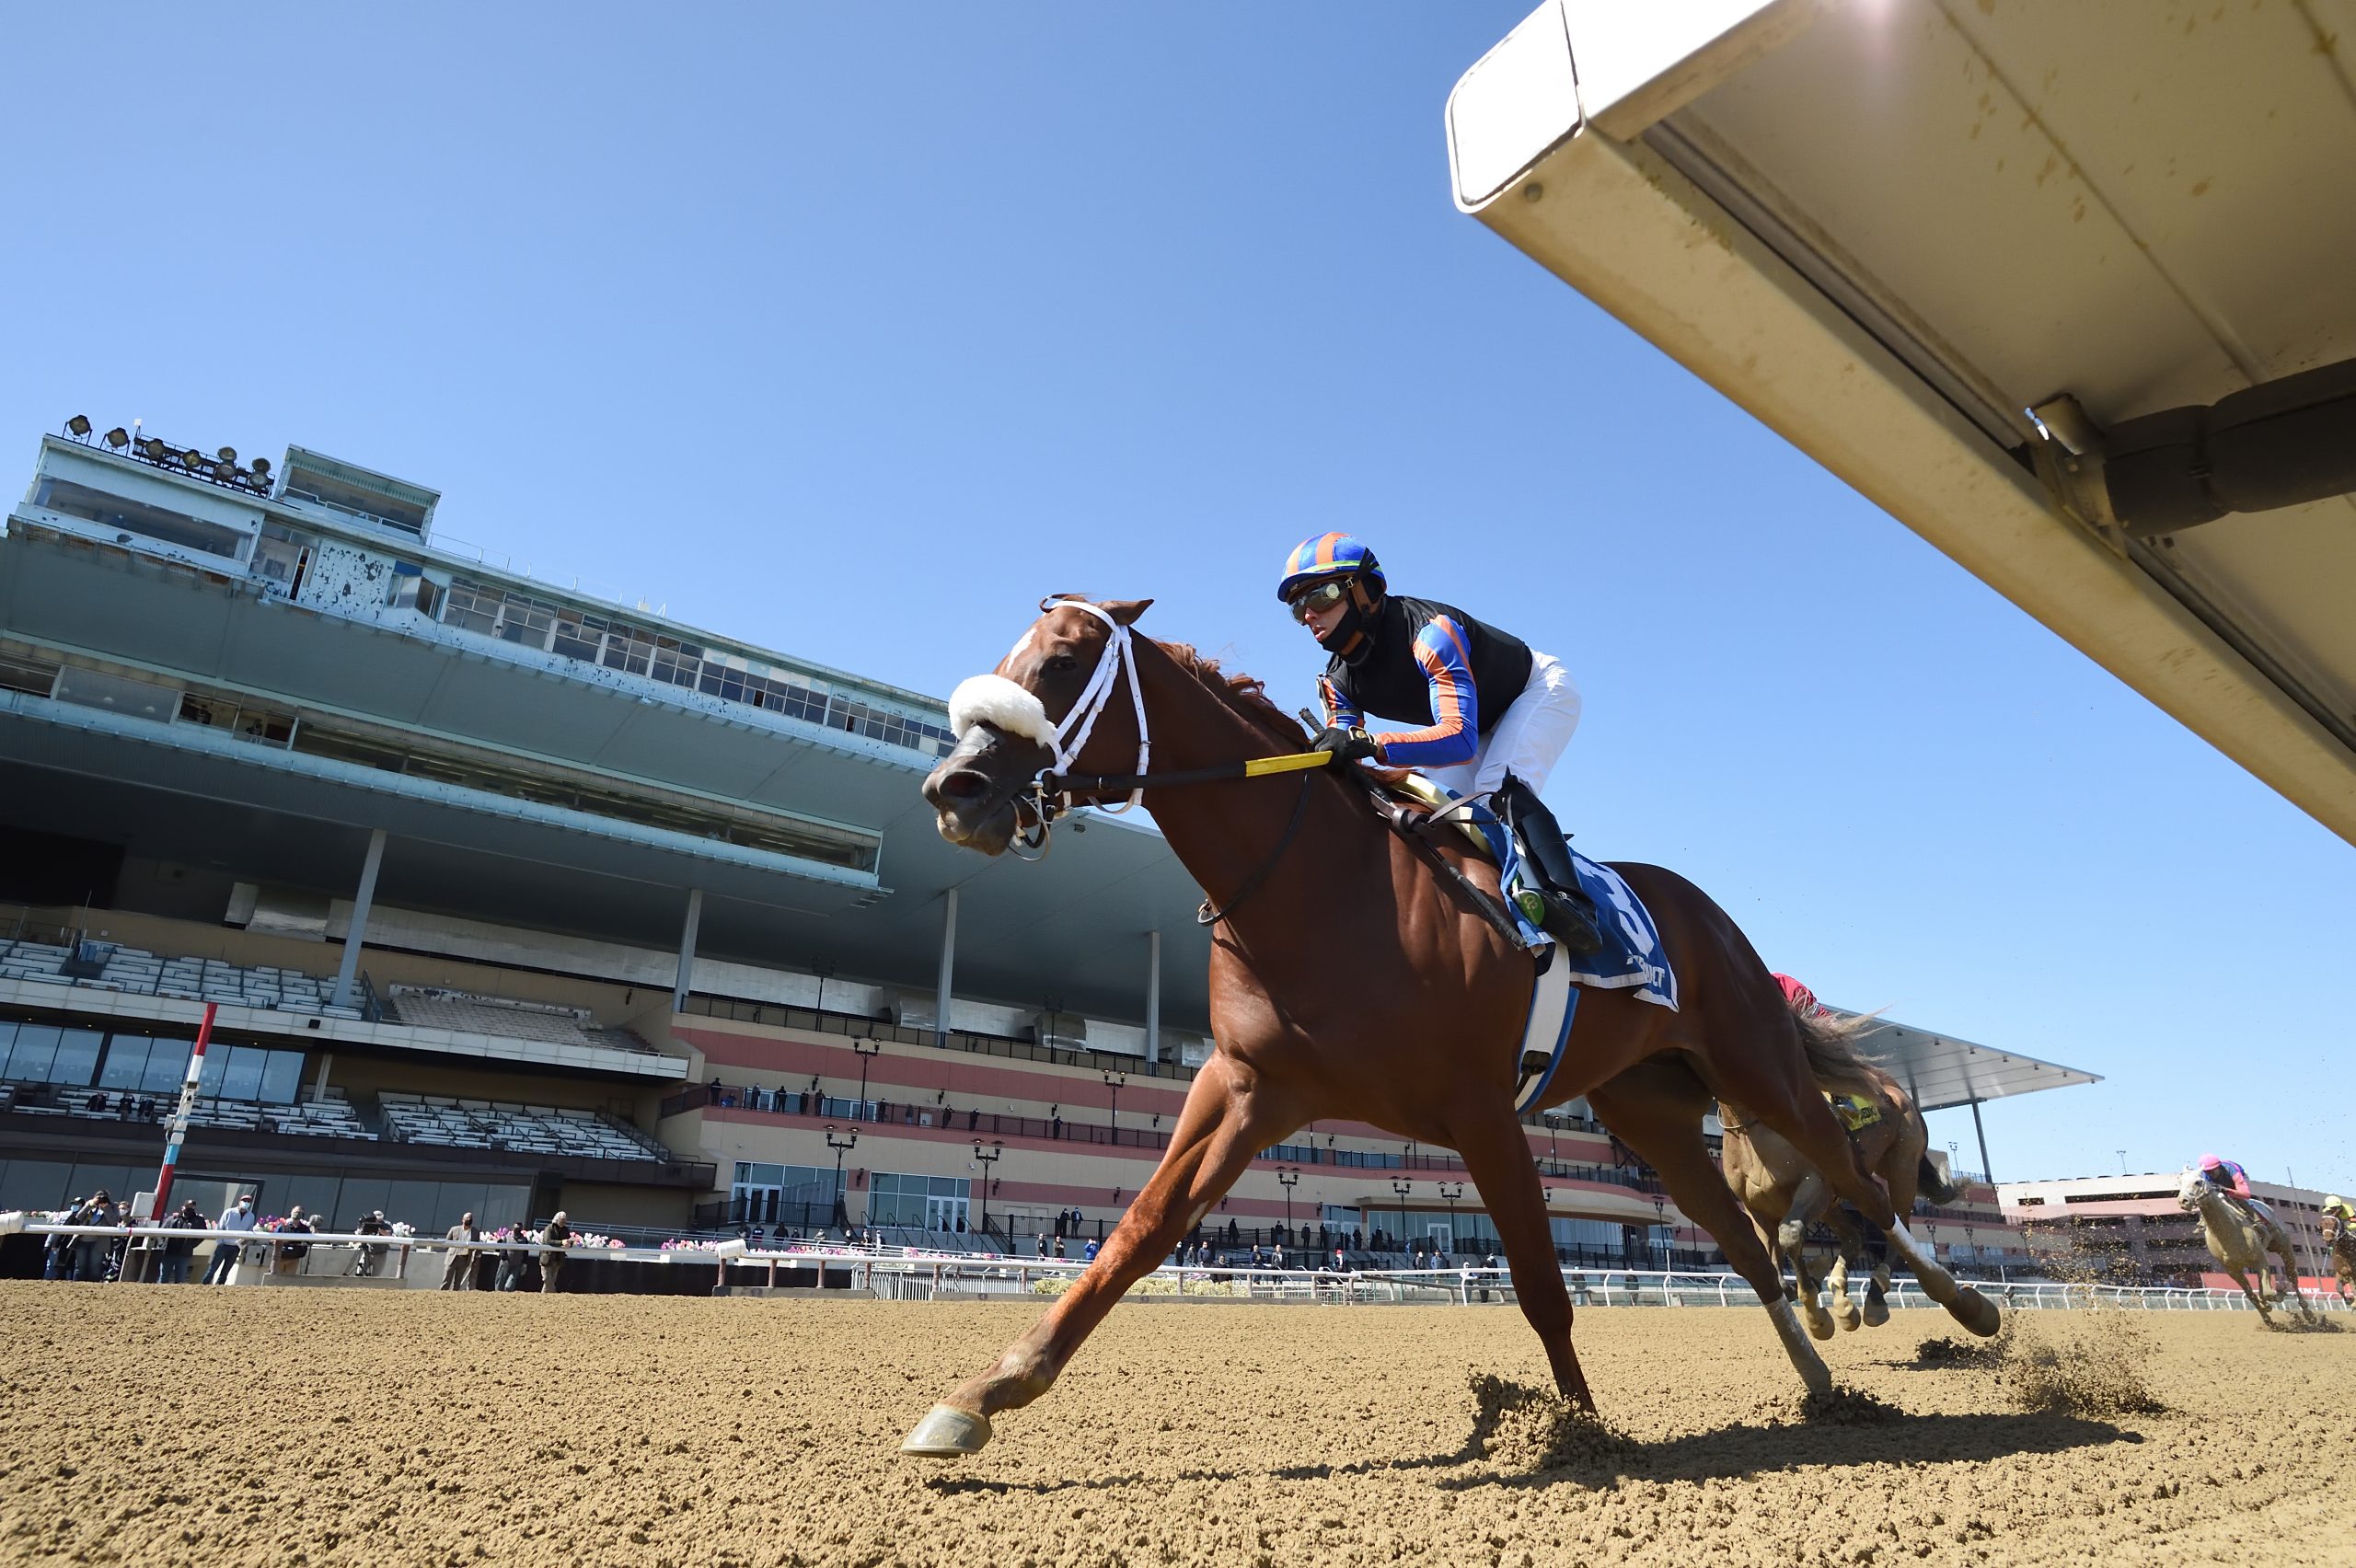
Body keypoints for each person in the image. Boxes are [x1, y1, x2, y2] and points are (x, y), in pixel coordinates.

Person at [1277, 532, 1603, 953]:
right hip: (1477, 723)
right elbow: (1348, 758)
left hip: (1534, 691)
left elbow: (1459, 739)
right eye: (1297, 607)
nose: (1308, 615)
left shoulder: (1431, 634)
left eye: (1321, 596)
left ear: (1365, 590)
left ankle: (1574, 903)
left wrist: (1371, 744)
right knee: (1430, 808)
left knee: (1497, 786)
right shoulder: (1335, 681)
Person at [205, 1194, 260, 1285]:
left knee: (225, 1272)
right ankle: (203, 1286)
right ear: (240, 1201)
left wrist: (241, 1244)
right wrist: (220, 1242)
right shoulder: (229, 1212)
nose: (246, 1203)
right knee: (212, 1269)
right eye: (244, 1201)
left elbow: (249, 1232)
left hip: (235, 1248)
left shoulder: (251, 1216)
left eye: (248, 1202)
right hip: (223, 1246)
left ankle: (218, 1288)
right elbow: (220, 1228)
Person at [156, 1199, 206, 1285]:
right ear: (183, 1207)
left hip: (184, 1254)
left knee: (180, 1280)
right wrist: (162, 1245)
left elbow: (202, 1235)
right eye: (188, 1206)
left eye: (192, 1207)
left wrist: (191, 1245)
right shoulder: (172, 1219)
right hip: (168, 1253)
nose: (190, 1208)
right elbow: (161, 1233)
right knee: (163, 1278)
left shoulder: (199, 1221)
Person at [441, 1212, 482, 1291]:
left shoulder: (476, 1232)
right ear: (462, 1219)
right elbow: (447, 1242)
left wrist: (477, 1256)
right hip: (452, 1258)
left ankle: (455, 1296)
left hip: (464, 1259)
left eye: (470, 1219)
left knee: (458, 1282)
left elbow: (478, 1245)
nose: (468, 1220)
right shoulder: (454, 1229)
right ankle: (441, 1295)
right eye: (467, 1218)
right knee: (446, 1280)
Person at [272, 1205, 314, 1275]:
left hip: (295, 1257)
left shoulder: (304, 1228)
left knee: (290, 1278)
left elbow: (310, 1241)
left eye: (299, 1213)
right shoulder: (283, 1225)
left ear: (302, 1215)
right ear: (291, 1212)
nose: (297, 1214)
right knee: (276, 1277)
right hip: (281, 1256)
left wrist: (314, 1228)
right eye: (295, 1212)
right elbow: (273, 1239)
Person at [538, 1211, 572, 1294]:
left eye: (565, 1220)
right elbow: (548, 1241)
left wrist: (569, 1244)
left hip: (558, 1259)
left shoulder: (566, 1230)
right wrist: (561, 1242)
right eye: (562, 1220)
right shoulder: (549, 1228)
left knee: (551, 1281)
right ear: (557, 1219)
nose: (564, 1222)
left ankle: (544, 1297)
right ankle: (554, 1294)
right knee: (547, 1279)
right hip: (547, 1258)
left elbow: (569, 1240)